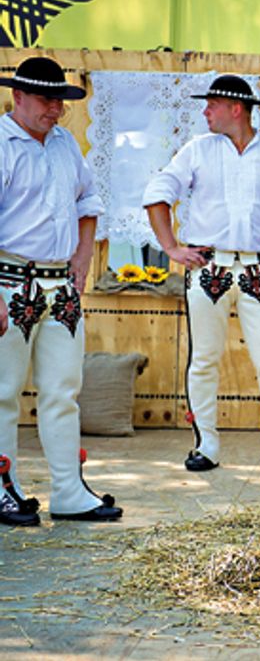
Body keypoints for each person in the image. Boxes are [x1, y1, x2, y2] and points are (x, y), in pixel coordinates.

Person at [143, 75, 260, 474]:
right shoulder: (197, 150)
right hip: (209, 269)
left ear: (236, 108)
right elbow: (157, 192)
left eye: (212, 104)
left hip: (259, 268)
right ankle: (205, 445)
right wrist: (171, 247)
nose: (205, 111)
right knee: (204, 359)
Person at [0, 57, 123, 525]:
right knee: (2, 390)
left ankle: (69, 490)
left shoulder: (65, 143)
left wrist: (84, 256)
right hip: (8, 278)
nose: (56, 109)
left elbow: (88, 201)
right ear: (19, 97)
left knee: (63, 390)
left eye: (59, 100)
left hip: (60, 284)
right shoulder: (1, 142)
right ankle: (1, 485)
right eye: (47, 100)